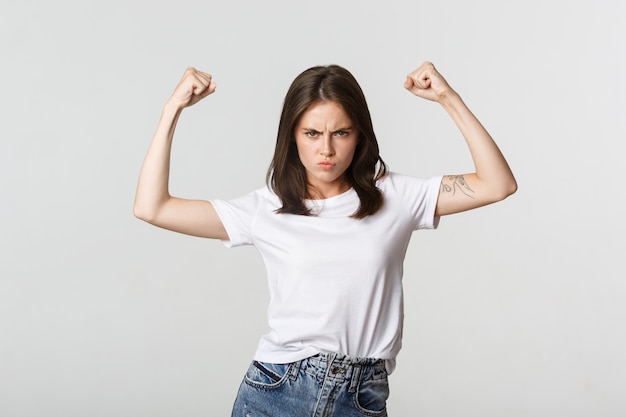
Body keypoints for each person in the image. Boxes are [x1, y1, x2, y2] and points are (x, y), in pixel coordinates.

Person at [134, 61, 517, 417]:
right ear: (293, 136)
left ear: (359, 135)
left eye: (341, 133)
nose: (327, 149)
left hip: (363, 396)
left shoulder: (397, 197)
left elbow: (498, 184)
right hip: (277, 391)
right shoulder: (265, 209)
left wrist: (447, 98)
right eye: (312, 133)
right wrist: (173, 110)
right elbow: (152, 207)